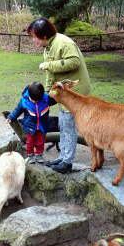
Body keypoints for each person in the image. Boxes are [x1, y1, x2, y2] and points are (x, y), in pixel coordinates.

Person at [27, 17, 92, 173]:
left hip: (76, 92)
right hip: (63, 92)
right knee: (63, 125)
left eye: (34, 37)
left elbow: (74, 62)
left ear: (43, 36)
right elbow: (51, 74)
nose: (33, 41)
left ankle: (67, 162)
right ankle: (63, 157)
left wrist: (49, 64)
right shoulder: (48, 47)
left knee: (68, 127)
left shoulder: (63, 43)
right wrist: (47, 95)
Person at [7, 81, 56, 164]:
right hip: (30, 126)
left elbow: (55, 97)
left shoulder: (46, 98)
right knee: (30, 141)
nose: (34, 101)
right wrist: (11, 117)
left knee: (41, 141)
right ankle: (29, 155)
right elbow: (17, 110)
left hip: (42, 125)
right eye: (32, 99)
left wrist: (56, 91)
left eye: (37, 100)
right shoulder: (24, 100)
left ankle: (39, 155)